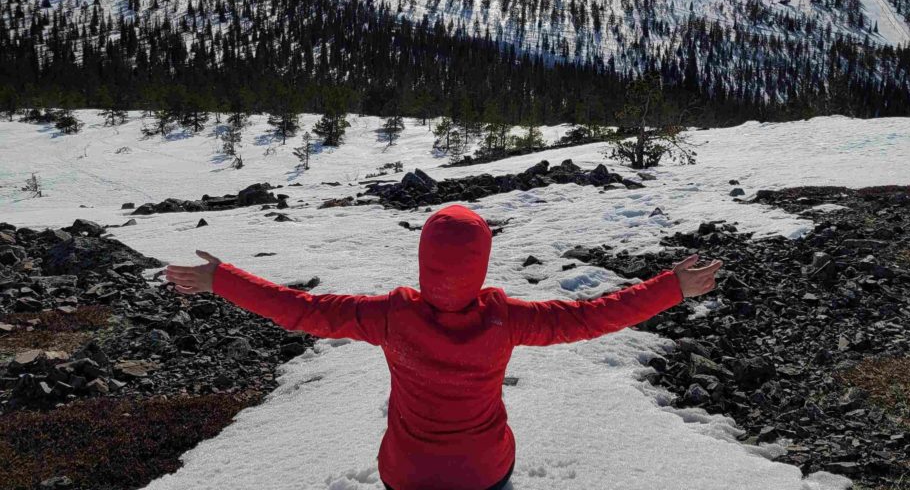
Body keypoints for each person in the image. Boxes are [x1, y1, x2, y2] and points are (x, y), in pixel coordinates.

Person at [164, 204, 723, 490]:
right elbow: (589, 318)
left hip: (406, 473)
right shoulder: (508, 321)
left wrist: (223, 280)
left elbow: (300, 311)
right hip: (484, 471)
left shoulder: (389, 317)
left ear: (424, 262)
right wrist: (670, 286)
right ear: (480, 265)